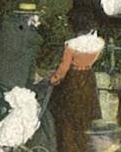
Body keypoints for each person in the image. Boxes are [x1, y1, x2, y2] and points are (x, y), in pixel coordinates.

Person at [48, 12, 104, 152]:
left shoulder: (72, 45)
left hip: (73, 79)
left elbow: (64, 67)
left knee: (69, 116)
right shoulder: (98, 43)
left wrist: (54, 79)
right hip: (88, 78)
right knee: (86, 115)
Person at [0, 4, 43, 126]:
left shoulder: (5, 26)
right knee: (11, 109)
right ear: (32, 17)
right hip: (12, 80)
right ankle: (4, 136)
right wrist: (30, 81)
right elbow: (31, 61)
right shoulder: (34, 37)